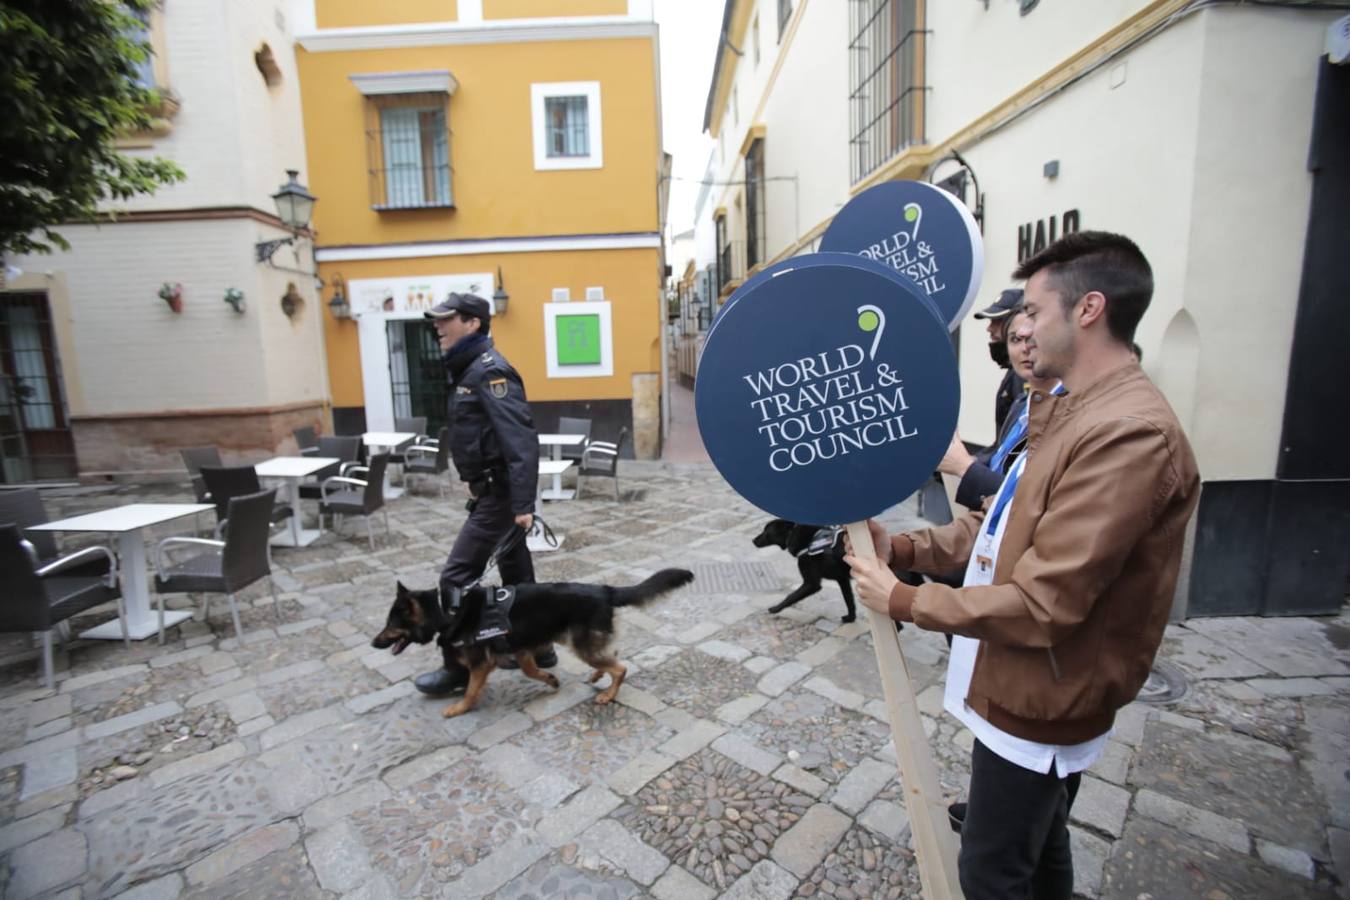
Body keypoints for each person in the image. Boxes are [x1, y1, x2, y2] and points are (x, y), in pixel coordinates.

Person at [846, 231, 1199, 899]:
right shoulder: (1066, 408)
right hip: (1024, 682)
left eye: (1033, 311)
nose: (1019, 329)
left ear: (1088, 310)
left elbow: (1044, 601)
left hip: (1046, 694)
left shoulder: (1125, 432)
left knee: (991, 871)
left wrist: (903, 600)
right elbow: (1000, 531)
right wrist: (905, 551)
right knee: (1038, 852)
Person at [413, 292, 551, 697]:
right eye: (437, 320)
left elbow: (520, 440)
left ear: (472, 323)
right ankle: (539, 649)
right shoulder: (468, 369)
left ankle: (458, 667)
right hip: (495, 493)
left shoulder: (489, 372)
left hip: (500, 496)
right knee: (518, 577)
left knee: (455, 578)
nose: (438, 326)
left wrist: (523, 505)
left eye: (447, 319)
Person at [939, 308, 1063, 511]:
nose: (1025, 347)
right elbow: (1001, 457)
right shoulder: (1021, 406)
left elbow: (1029, 506)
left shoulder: (1069, 414)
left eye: (1033, 337)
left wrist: (965, 466)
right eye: (1014, 339)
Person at [973, 287, 1025, 434]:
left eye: (997, 320)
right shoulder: (1014, 372)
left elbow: (1020, 443)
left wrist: (968, 459)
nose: (989, 328)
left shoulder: (1024, 375)